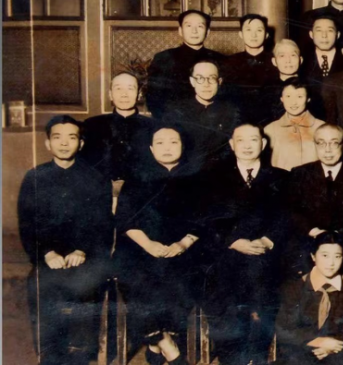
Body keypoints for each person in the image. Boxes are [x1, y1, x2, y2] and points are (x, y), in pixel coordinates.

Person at [18, 116, 113, 365]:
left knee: (86, 282)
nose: (63, 143)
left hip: (86, 255)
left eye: (71, 138)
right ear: (48, 143)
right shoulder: (35, 177)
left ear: (80, 144)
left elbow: (102, 223)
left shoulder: (95, 178)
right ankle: (49, 354)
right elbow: (27, 224)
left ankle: (80, 353)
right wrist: (47, 253)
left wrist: (82, 250)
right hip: (49, 256)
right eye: (57, 137)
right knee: (41, 284)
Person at [115, 126, 206, 365]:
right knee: (138, 278)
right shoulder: (136, 177)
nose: (167, 148)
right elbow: (125, 218)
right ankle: (166, 344)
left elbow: (204, 218)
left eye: (173, 142)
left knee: (184, 277)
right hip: (139, 248)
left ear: (183, 146)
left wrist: (183, 243)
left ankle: (156, 344)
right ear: (151, 148)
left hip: (182, 248)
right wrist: (149, 245)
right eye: (160, 143)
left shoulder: (196, 178)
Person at [203, 123, 289, 365]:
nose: (247, 145)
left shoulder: (281, 177)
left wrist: (267, 240)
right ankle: (232, 358)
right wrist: (233, 241)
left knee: (264, 296)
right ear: (232, 145)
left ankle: (257, 357)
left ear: (263, 144)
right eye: (241, 140)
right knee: (224, 299)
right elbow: (208, 218)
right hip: (227, 253)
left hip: (266, 253)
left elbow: (286, 217)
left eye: (254, 139)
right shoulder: (214, 177)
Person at [286, 124, 343, 276]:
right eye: (321, 143)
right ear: (315, 145)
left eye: (334, 143)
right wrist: (314, 231)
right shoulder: (299, 174)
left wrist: (338, 236)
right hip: (308, 247)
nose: (327, 150)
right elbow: (292, 211)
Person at [275, 232, 343, 365]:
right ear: (313, 256)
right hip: (300, 348)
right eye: (325, 255)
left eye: (337, 256)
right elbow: (284, 329)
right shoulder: (295, 288)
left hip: (336, 349)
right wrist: (319, 341)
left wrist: (332, 347)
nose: (331, 263)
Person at [80, 72, 159, 183]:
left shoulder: (154, 127)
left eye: (130, 88)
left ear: (139, 94)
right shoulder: (92, 125)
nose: (124, 94)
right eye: (118, 89)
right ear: (110, 94)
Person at [163, 59, 240, 169]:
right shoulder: (176, 111)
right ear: (192, 81)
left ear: (219, 81)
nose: (206, 84)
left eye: (212, 78)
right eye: (200, 78)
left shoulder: (231, 111)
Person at [146, 9, 222, 118]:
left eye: (200, 26)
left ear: (207, 32)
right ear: (180, 30)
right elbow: (154, 98)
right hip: (174, 121)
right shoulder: (164, 58)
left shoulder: (220, 59)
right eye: (189, 26)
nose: (194, 31)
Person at [222, 14, 277, 125]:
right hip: (237, 120)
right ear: (241, 34)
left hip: (271, 120)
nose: (254, 35)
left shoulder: (276, 61)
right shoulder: (229, 62)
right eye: (248, 30)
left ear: (266, 35)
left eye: (259, 30)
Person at [265, 77, 326, 171]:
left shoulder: (322, 127)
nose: (293, 102)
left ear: (308, 99)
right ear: (282, 99)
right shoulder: (270, 129)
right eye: (288, 96)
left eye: (300, 96)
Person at [260, 39, 307, 125]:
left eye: (293, 55)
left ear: (300, 60)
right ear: (274, 61)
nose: (288, 60)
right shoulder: (266, 90)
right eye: (282, 56)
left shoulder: (309, 87)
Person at [299, 14, 343, 94]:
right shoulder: (302, 60)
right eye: (319, 30)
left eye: (330, 30)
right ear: (311, 34)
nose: (324, 35)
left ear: (337, 35)